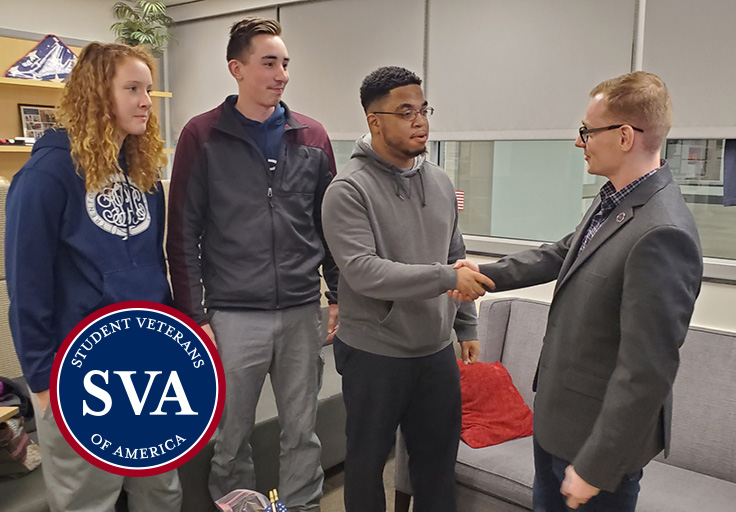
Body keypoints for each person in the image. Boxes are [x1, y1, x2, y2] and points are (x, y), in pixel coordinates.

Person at [453, 71, 703, 511]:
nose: (578, 142)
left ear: (625, 136)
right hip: (559, 422)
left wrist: (596, 466)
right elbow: (565, 252)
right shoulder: (615, 199)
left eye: (587, 131)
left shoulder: (663, 233)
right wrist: (486, 274)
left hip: (595, 446)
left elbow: (647, 370)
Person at [166, 17, 338, 511]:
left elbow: (328, 226)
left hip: (302, 309)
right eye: (269, 62)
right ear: (236, 68)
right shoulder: (202, 136)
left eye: (285, 63)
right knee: (231, 435)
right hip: (231, 314)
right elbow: (182, 234)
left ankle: (302, 506)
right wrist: (194, 315)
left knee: (302, 432)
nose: (281, 73)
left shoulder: (312, 135)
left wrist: (338, 292)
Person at [5, 43, 182, 512]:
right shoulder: (45, 176)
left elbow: (154, 270)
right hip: (78, 371)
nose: (147, 100)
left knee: (161, 492)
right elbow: (27, 289)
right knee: (90, 500)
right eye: (132, 89)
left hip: (150, 364)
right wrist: (42, 384)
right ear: (96, 95)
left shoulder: (146, 176)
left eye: (147, 89)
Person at [321, 66, 493, 512]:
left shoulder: (439, 181)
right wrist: (445, 278)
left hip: (434, 352)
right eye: (405, 112)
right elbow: (364, 272)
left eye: (423, 110)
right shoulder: (347, 190)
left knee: (437, 467)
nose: (420, 121)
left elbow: (456, 253)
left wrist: (466, 325)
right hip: (375, 353)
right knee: (367, 464)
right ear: (374, 120)